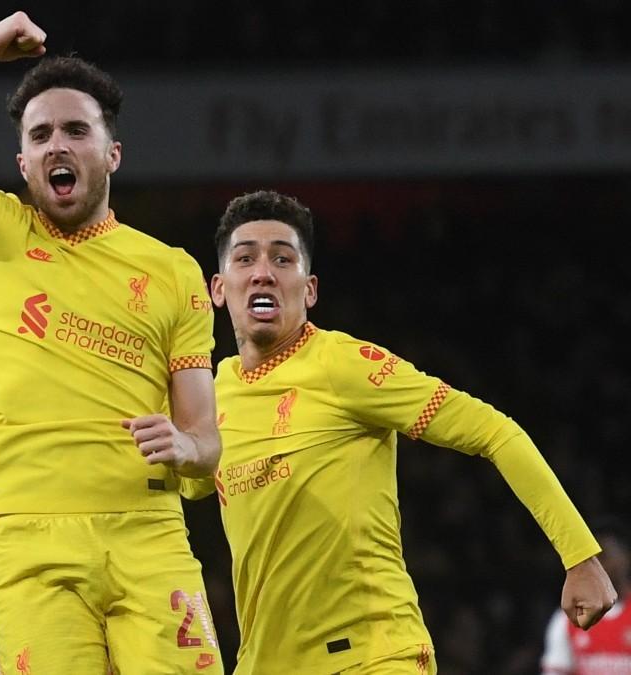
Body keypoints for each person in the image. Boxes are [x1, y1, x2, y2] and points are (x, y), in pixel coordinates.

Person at [0, 11, 224, 674]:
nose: (58, 144)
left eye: (76, 130)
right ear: (23, 163)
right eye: (40, 134)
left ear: (111, 154)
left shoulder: (172, 270)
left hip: (149, 530)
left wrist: (186, 445)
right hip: (31, 538)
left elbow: (206, 441)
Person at [207, 190, 616, 674]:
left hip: (373, 657)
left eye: (282, 258)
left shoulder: (345, 365)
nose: (263, 272)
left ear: (310, 289)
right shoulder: (215, 393)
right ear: (218, 288)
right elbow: (185, 479)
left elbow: (494, 432)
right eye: (246, 258)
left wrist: (581, 556)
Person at [542, 517, 631, 674]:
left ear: (626, 557)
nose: (598, 567)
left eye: (604, 557)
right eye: (591, 560)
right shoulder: (568, 617)